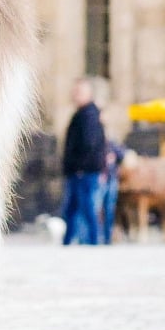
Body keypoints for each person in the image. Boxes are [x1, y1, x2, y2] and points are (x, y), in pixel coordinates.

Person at [60, 78, 107, 246]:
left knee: (87, 209)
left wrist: (80, 167)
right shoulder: (82, 114)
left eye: (79, 92)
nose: (75, 95)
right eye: (75, 91)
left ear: (89, 94)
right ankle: (67, 242)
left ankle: (94, 242)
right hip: (78, 171)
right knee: (72, 210)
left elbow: (90, 144)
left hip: (84, 172)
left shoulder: (89, 115)